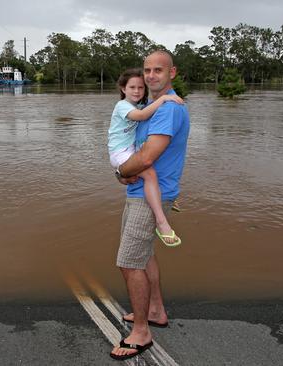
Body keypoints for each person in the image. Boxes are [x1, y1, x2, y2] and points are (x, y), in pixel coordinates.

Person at [109, 50, 190, 361]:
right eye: (147, 70)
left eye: (159, 69)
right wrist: (124, 175)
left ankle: (142, 331)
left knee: (129, 262)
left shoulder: (167, 109)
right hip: (141, 192)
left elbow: (145, 158)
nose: (151, 75)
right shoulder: (144, 106)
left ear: (173, 73)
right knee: (143, 257)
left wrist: (120, 172)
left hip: (149, 197)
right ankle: (155, 310)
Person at [108, 68, 184, 246]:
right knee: (149, 174)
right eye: (132, 87)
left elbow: (145, 112)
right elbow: (142, 116)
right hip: (120, 152)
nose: (136, 91)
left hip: (129, 150)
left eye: (140, 88)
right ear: (123, 89)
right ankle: (161, 221)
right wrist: (164, 98)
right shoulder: (122, 106)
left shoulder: (137, 106)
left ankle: (163, 198)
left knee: (150, 175)